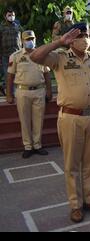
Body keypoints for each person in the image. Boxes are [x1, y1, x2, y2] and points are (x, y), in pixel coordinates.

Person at [30, 23, 90, 223]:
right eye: (80, 35)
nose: (85, 38)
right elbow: (35, 56)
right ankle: (75, 205)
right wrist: (59, 42)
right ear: (71, 38)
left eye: (86, 34)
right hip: (71, 118)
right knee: (72, 164)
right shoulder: (60, 57)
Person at [6, 30, 52, 158]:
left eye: (31, 38)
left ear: (35, 39)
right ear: (22, 41)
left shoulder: (41, 55)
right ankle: (27, 146)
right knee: (24, 120)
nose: (30, 41)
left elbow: (47, 73)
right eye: (27, 39)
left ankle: (37, 145)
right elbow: (10, 76)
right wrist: (9, 94)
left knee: (39, 119)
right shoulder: (15, 56)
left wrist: (49, 91)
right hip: (22, 91)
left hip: (39, 90)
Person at [0, 8, 22, 95]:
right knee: (7, 75)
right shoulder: (1, 27)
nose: (11, 17)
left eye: (13, 15)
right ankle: (10, 94)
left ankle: (9, 89)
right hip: (5, 55)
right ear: (5, 16)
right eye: (9, 15)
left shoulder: (17, 25)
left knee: (17, 74)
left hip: (17, 54)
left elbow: (22, 37)